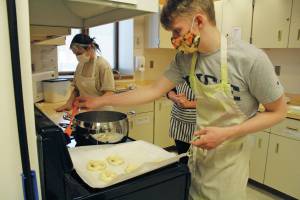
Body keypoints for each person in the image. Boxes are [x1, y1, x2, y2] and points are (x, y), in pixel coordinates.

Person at [76, 0, 287, 199]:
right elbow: (152, 90)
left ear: (200, 21)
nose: (174, 40)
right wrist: (101, 101)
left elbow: (278, 111)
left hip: (230, 163)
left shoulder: (250, 59)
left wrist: (227, 133)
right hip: (198, 156)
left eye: (177, 31)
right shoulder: (186, 59)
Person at [56, 33, 115, 112]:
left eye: (79, 53)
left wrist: (95, 103)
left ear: (89, 48)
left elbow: (109, 94)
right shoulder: (80, 65)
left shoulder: (103, 65)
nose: (77, 56)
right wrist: (69, 103)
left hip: (102, 112)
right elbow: (76, 89)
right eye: (75, 54)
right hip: (86, 111)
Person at [167, 81, 196, 164]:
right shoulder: (181, 69)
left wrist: (189, 104)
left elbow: (215, 101)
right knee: (183, 156)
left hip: (198, 123)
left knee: (197, 162)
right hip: (179, 121)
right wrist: (174, 98)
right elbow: (170, 89)